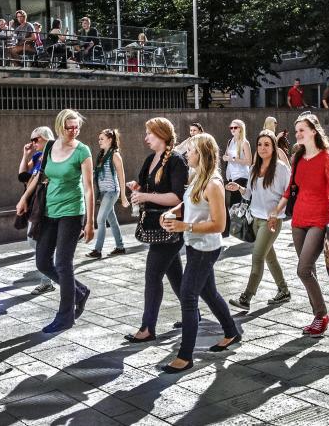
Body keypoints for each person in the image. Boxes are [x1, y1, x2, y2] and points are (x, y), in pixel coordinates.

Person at [160, 133, 241, 373]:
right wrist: (172, 213)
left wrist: (186, 226)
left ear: (203, 155)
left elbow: (220, 224)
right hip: (194, 245)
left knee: (188, 296)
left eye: (192, 151)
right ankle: (231, 332)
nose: (187, 155)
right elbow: (189, 203)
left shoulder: (214, 184)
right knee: (210, 293)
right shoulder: (197, 178)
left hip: (206, 248)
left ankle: (185, 356)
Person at [16, 109, 94, 333]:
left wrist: (90, 222)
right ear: (60, 127)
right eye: (69, 127)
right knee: (42, 262)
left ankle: (65, 316)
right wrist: (24, 198)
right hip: (49, 212)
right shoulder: (49, 147)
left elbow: (89, 189)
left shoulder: (82, 151)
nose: (73, 131)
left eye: (76, 127)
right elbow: (39, 177)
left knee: (62, 263)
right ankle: (79, 291)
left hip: (72, 212)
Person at [269, 112, 329, 337]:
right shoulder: (297, 157)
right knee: (308, 270)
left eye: (302, 129)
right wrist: (276, 211)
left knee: (303, 270)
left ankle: (322, 315)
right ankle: (317, 317)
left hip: (319, 219)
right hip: (298, 219)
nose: (298, 133)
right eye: (297, 129)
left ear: (313, 131)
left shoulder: (327, 158)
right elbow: (290, 188)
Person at [124, 117, 189, 343]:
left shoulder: (177, 161)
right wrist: (137, 188)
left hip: (171, 228)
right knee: (176, 278)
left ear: (161, 134)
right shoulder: (151, 159)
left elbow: (177, 197)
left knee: (153, 276)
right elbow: (145, 187)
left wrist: (145, 196)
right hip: (155, 226)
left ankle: (147, 328)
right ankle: (194, 314)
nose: (146, 137)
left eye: (150, 133)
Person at [226, 130, 292, 310]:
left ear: (273, 147)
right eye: (260, 144)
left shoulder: (281, 168)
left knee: (257, 257)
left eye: (267, 144)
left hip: (271, 222)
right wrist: (238, 187)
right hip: (254, 219)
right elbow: (249, 193)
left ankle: (246, 298)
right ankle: (284, 290)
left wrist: (277, 212)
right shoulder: (254, 168)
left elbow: (288, 193)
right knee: (270, 258)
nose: (262, 148)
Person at [18, 126, 57, 295]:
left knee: (39, 242)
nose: (33, 143)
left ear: (47, 138)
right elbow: (23, 176)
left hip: (46, 204)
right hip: (35, 203)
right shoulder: (36, 156)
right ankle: (49, 273)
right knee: (33, 241)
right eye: (31, 140)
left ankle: (47, 280)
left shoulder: (53, 156)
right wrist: (25, 155)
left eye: (36, 139)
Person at [86, 129, 130, 259]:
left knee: (100, 219)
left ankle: (97, 250)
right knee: (112, 220)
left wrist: (123, 196)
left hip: (112, 192)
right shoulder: (101, 155)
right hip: (104, 192)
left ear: (110, 140)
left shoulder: (115, 155)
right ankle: (120, 247)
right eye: (99, 139)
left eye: (102, 139)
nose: (99, 141)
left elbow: (121, 177)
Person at [223, 119, 252, 236]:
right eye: (231, 128)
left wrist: (232, 159)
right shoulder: (230, 141)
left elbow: (249, 161)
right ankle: (235, 229)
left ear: (241, 129)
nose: (233, 130)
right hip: (231, 175)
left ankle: (242, 228)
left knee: (239, 203)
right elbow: (226, 155)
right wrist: (225, 157)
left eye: (236, 127)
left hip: (242, 175)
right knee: (234, 204)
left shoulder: (245, 143)